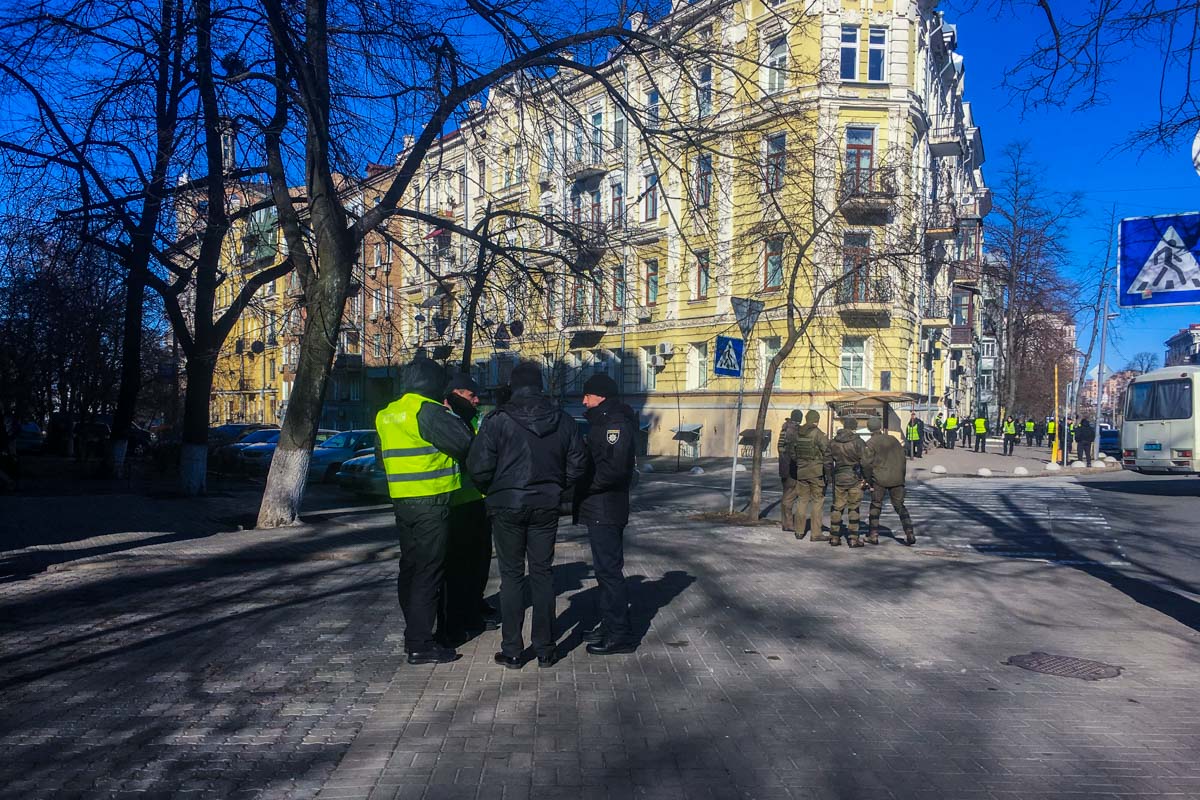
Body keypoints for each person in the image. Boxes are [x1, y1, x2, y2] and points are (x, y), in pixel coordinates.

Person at [467, 361, 587, 669]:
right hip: (546, 506)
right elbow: (578, 463)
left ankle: (512, 650)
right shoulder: (562, 419)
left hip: (507, 505)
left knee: (511, 577)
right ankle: (546, 649)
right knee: (542, 574)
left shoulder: (497, 421)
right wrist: (558, 489)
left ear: (512, 385)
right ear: (540, 385)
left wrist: (494, 489)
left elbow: (478, 466)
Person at [376, 359, 474, 665]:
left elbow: (382, 458)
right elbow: (464, 444)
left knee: (411, 568)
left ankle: (413, 633)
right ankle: (420, 643)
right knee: (429, 572)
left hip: (402, 500)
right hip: (431, 501)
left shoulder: (387, 414)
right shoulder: (428, 411)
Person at [573, 373, 639, 655]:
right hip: (600, 506)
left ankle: (619, 634)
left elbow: (614, 470)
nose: (583, 400)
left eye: (587, 395)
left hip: (606, 506)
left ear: (600, 396)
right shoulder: (603, 421)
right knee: (603, 571)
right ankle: (609, 624)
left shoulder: (615, 424)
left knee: (609, 572)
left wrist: (584, 487)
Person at [436, 374, 496, 647]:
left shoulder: (471, 418)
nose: (476, 400)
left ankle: (475, 604)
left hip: (477, 500)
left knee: (479, 561)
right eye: (472, 396)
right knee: (458, 567)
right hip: (454, 502)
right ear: (456, 394)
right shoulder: (442, 419)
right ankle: (462, 615)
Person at [862, 417, 916, 546]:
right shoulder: (893, 440)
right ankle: (909, 532)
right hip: (897, 478)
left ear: (869, 428)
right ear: (880, 427)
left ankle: (873, 535)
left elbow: (865, 464)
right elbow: (903, 459)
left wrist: (868, 480)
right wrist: (901, 477)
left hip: (879, 479)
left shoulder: (870, 443)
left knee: (876, 505)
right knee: (900, 506)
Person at [788, 410, 830, 542]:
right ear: (816, 420)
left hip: (802, 472)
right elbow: (827, 453)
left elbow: (792, 452)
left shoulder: (797, 434)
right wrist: (828, 472)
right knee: (817, 501)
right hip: (816, 472)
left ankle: (799, 531)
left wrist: (800, 463)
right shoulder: (818, 434)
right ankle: (816, 533)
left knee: (802, 500)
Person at [825, 415, 866, 547]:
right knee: (854, 508)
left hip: (839, 478)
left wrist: (830, 477)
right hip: (854, 477)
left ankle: (834, 537)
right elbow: (866, 462)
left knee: (837, 507)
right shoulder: (858, 442)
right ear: (854, 427)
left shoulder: (833, 442)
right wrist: (865, 478)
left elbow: (827, 461)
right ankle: (853, 538)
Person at [777, 411, 801, 533]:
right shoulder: (794, 431)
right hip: (792, 467)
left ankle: (785, 522)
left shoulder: (784, 430)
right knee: (790, 496)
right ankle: (789, 523)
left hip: (783, 466)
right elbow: (795, 451)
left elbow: (780, 448)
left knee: (786, 494)